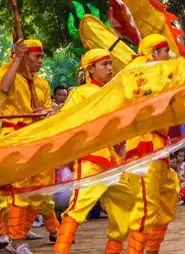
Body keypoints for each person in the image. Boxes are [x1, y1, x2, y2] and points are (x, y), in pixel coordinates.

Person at [0, 39, 58, 254]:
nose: (41, 61)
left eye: (42, 57)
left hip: (36, 139)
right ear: (23, 56)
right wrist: (17, 58)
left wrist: (46, 114)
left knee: (41, 186)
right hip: (13, 137)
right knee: (9, 189)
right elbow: (4, 87)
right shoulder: (6, 72)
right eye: (37, 56)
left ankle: (21, 234)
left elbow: (47, 110)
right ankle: (7, 238)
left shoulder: (42, 83)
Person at [54, 48, 134, 254]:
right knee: (78, 208)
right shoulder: (81, 92)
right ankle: (60, 250)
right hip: (90, 157)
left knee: (125, 206)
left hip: (112, 160)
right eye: (104, 64)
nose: (110, 67)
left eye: (110, 63)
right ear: (91, 69)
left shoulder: (113, 91)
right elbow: (65, 118)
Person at [124, 34, 182, 254]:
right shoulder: (136, 74)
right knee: (146, 207)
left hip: (159, 147)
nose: (168, 55)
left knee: (167, 199)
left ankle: (152, 250)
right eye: (165, 50)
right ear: (153, 53)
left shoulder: (159, 75)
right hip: (143, 148)